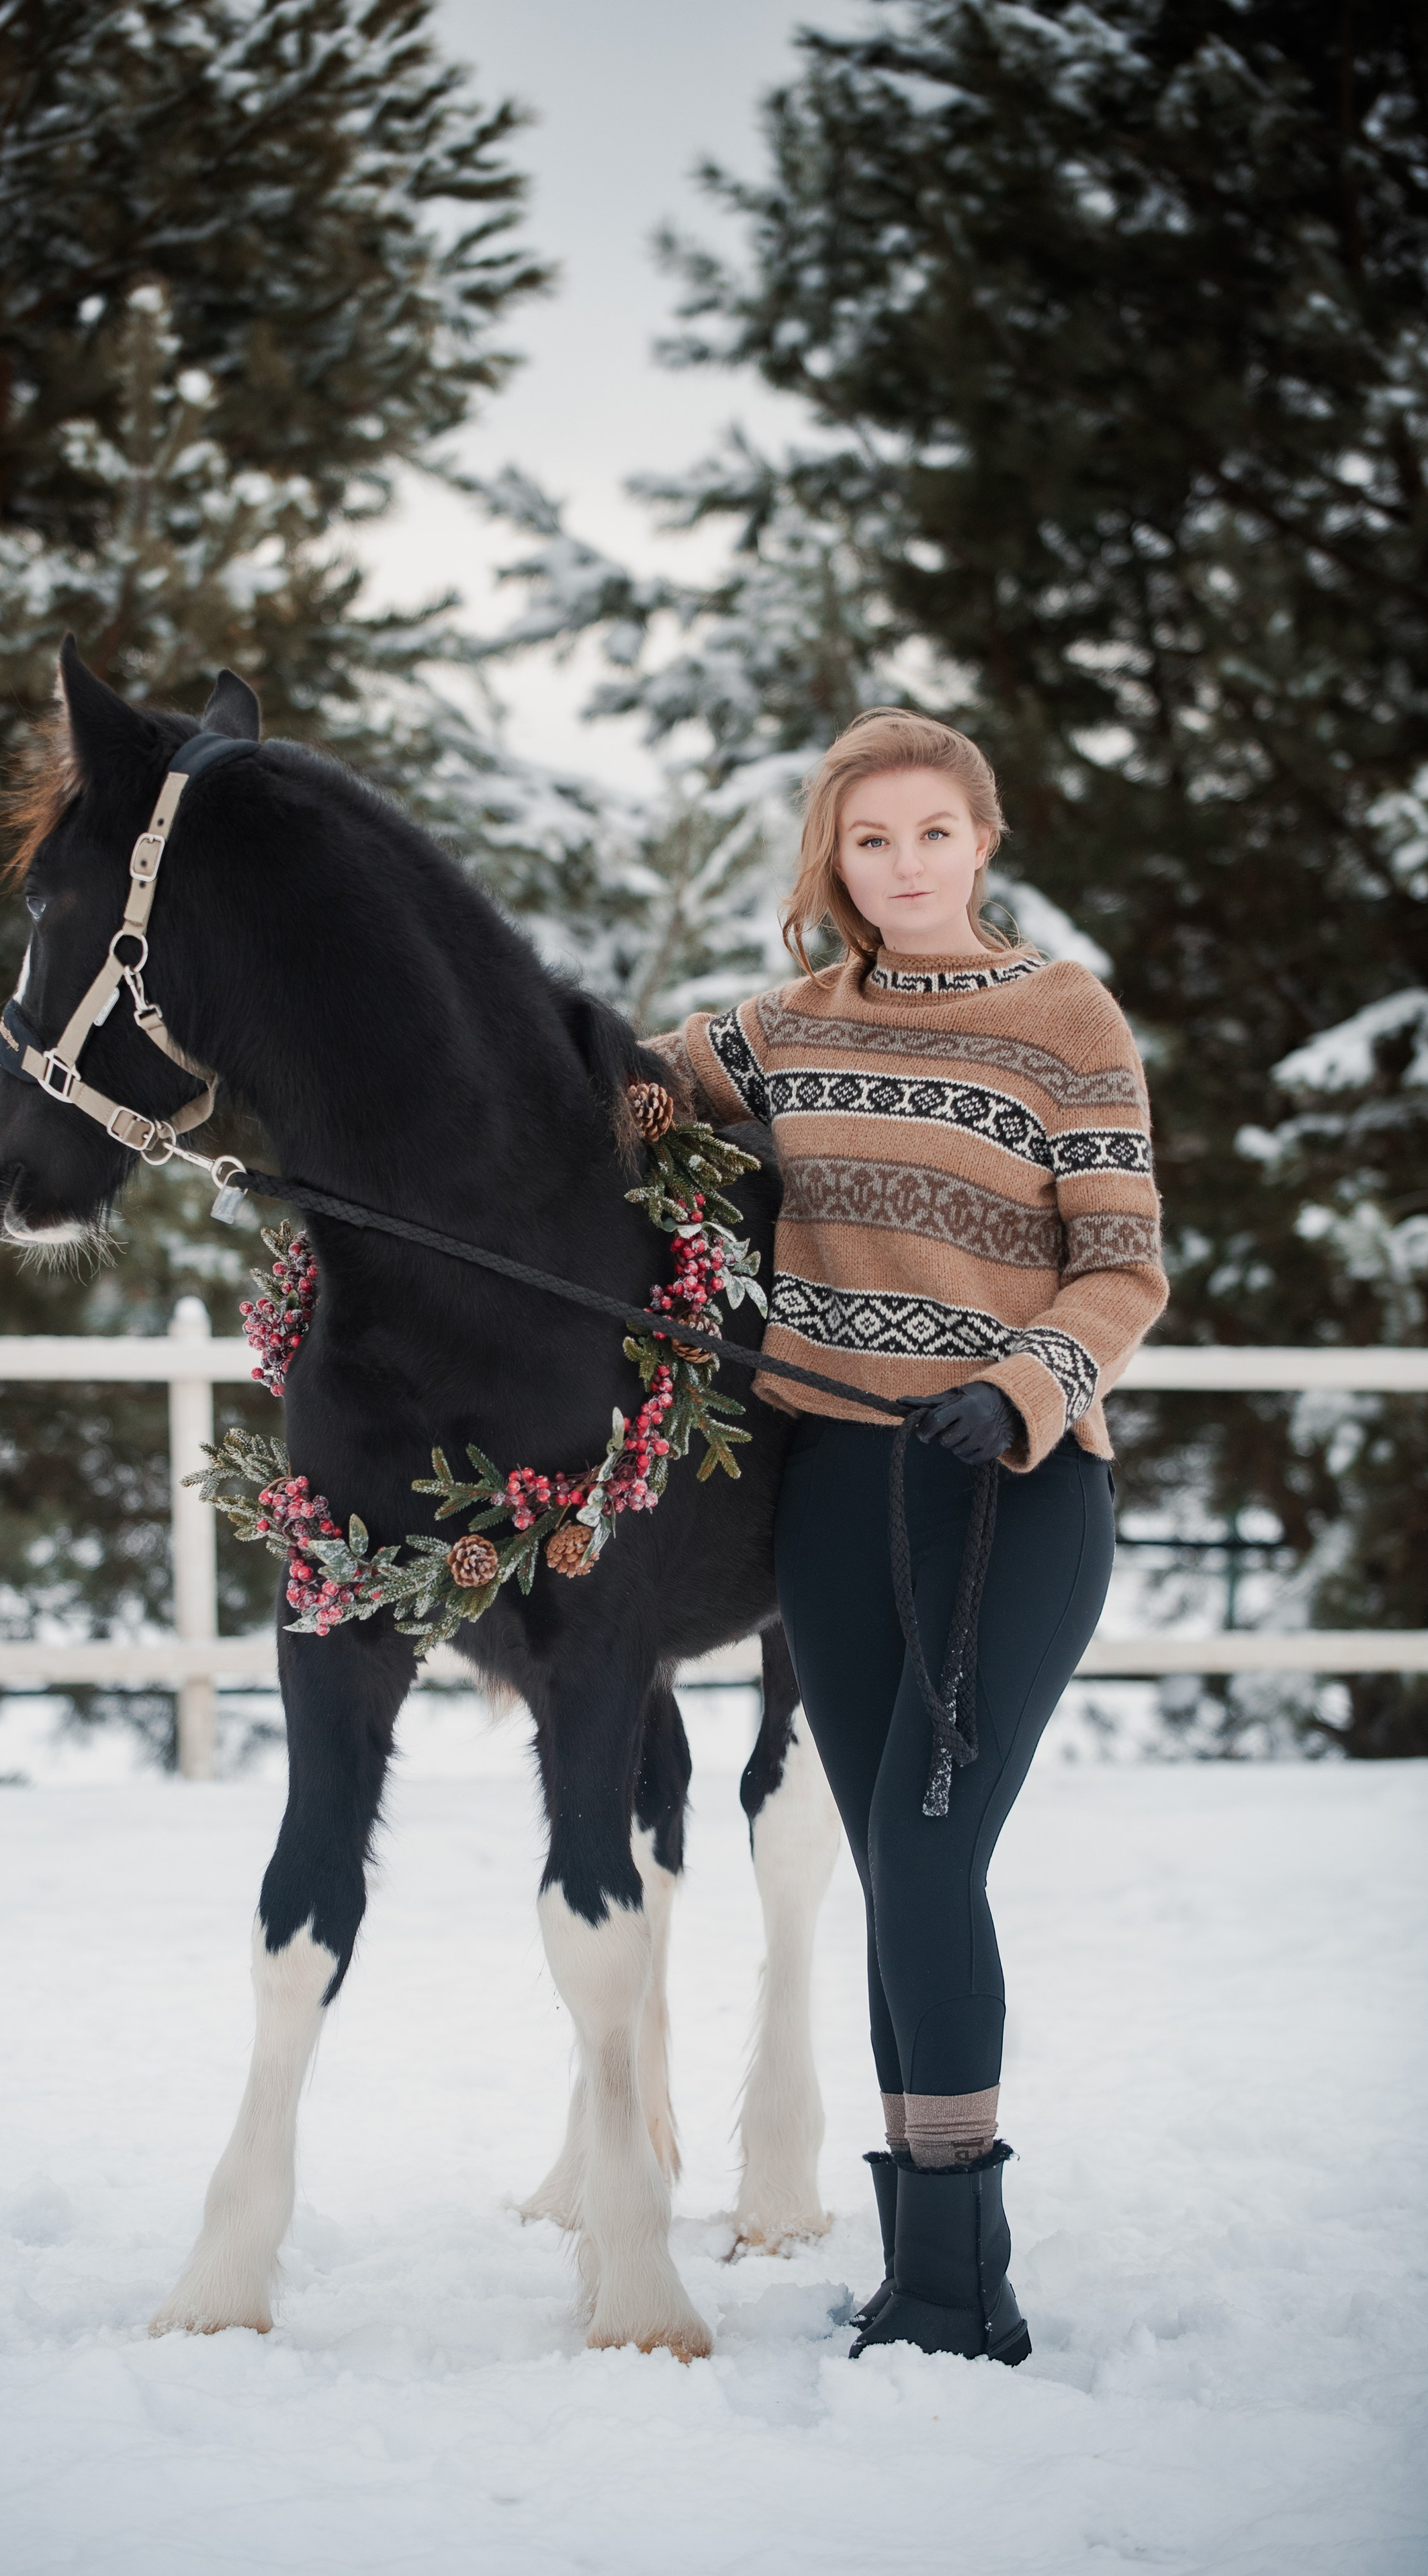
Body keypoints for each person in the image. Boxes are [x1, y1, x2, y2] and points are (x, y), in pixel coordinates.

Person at [648, 709, 1166, 2365]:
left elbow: (1122, 1262)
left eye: (931, 832)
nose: (904, 864)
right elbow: (609, 1094)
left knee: (932, 1852)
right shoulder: (785, 1024)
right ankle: (912, 2262)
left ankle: (960, 2286)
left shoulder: (1064, 1015)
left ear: (981, 839)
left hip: (1008, 1491)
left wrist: (1022, 1383)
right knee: (887, 1867)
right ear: (835, 860)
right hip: (830, 1490)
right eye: (870, 840)